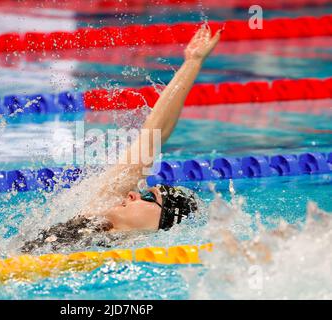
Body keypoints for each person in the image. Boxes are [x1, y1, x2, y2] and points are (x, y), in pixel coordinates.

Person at [20, 24, 223, 253]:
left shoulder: (128, 254)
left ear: (164, 223)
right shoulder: (96, 214)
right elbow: (153, 134)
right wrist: (192, 62)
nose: (133, 193)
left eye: (148, 197)